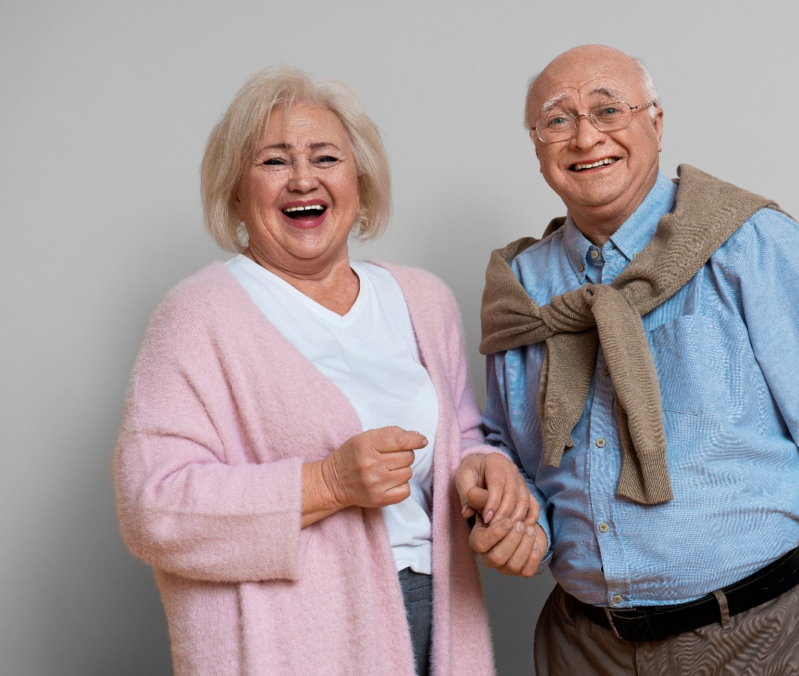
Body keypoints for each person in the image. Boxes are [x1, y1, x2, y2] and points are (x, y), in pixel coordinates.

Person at [464, 45, 799, 676]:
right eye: (557, 120)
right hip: (583, 647)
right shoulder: (524, 290)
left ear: (657, 123)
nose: (586, 136)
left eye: (608, 109)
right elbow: (509, 444)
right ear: (537, 145)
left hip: (759, 637)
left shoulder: (746, 243)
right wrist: (503, 500)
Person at [114, 66, 530, 676]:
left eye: (326, 157)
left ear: (360, 181)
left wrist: (483, 470)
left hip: (436, 617)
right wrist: (329, 483)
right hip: (295, 641)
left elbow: (461, 438)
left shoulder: (422, 298)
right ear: (235, 191)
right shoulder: (198, 316)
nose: (303, 178)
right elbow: (153, 507)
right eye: (274, 161)